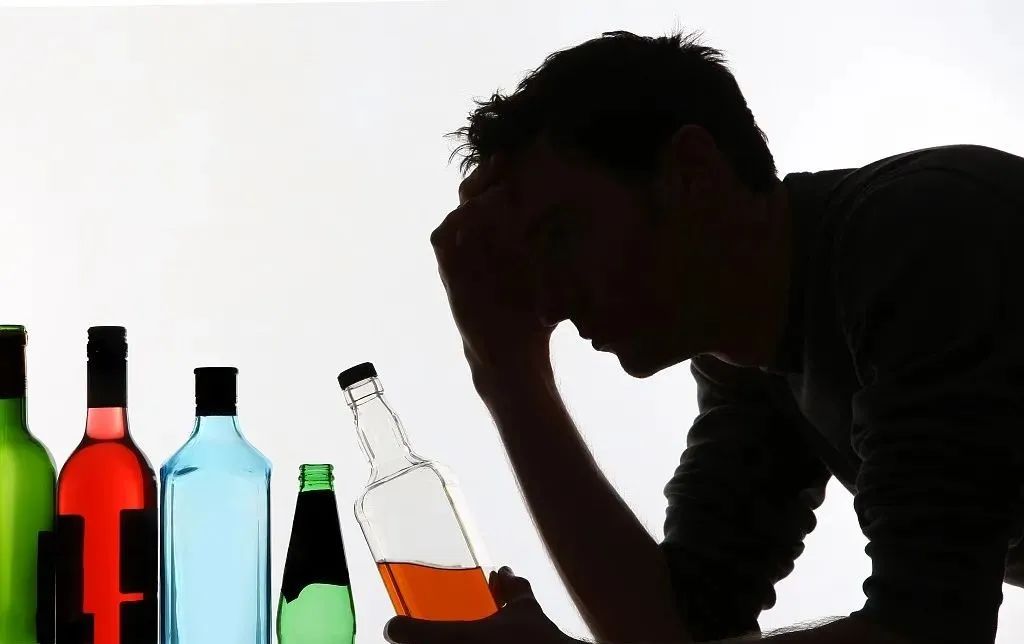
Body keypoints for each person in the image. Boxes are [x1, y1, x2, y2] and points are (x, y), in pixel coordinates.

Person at [384, 30, 1024, 644]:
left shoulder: (920, 239)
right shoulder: (750, 364)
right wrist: (506, 370)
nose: (548, 302)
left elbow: (929, 630)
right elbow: (671, 631)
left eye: (560, 236)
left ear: (693, 172)